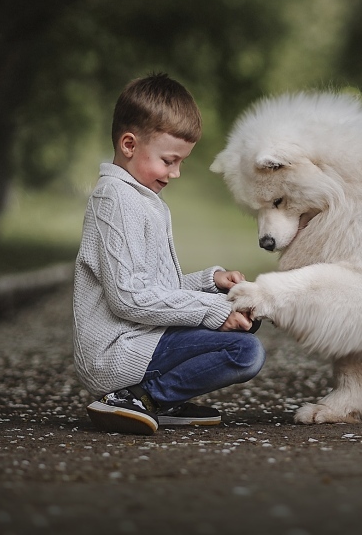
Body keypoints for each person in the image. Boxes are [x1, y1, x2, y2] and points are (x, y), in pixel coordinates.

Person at [73, 73, 265, 435]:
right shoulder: (114, 199)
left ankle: (156, 399)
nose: (175, 173)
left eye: (181, 162)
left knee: (246, 329)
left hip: (143, 338)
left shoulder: (145, 200)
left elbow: (157, 286)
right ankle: (145, 397)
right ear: (129, 144)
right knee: (245, 353)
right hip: (117, 350)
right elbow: (130, 298)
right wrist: (213, 311)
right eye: (169, 160)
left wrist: (211, 283)